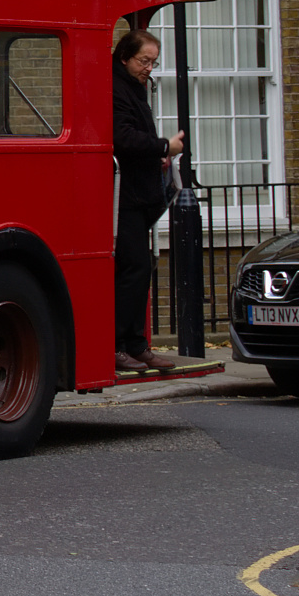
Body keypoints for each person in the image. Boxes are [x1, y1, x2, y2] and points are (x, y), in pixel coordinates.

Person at [112, 29, 186, 373]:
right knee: (133, 268)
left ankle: (135, 345)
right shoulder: (115, 88)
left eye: (153, 62)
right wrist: (162, 147)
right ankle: (119, 345)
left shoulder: (133, 87)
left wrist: (155, 157)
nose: (149, 68)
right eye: (144, 60)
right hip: (122, 197)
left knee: (138, 270)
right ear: (125, 57)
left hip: (136, 193)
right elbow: (122, 137)